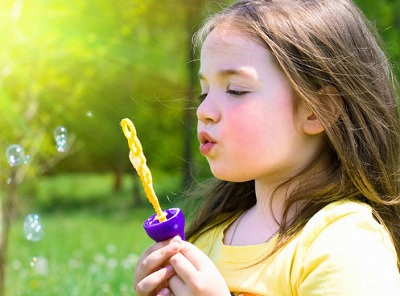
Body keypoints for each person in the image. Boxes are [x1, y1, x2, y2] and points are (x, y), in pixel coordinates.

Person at [134, 0, 400, 295]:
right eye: (204, 92)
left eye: (236, 90)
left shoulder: (346, 242)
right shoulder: (205, 239)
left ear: (317, 110)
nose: (204, 110)